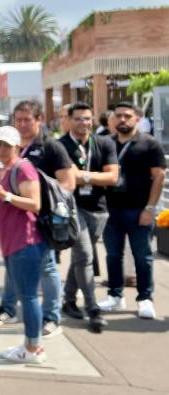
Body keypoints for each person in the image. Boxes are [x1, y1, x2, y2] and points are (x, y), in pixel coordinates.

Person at [0, 100, 72, 337]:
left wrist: (49, 208)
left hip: (41, 223)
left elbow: (67, 184)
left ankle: (50, 318)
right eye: (18, 120)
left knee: (46, 272)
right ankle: (9, 308)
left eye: (27, 119)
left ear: (39, 120)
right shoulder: (13, 155)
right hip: (18, 228)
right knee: (17, 272)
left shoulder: (50, 147)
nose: (22, 124)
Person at [98, 101, 166, 319]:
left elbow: (159, 177)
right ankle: (115, 295)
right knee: (113, 255)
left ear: (137, 117)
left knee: (143, 256)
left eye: (127, 116)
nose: (122, 119)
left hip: (139, 209)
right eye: (118, 115)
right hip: (111, 210)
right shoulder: (106, 143)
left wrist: (150, 208)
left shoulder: (149, 144)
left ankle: (145, 298)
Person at [0, 126, 47, 364]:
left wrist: (6, 196)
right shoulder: (5, 169)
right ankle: (31, 345)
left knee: (29, 296)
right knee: (26, 295)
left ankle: (33, 348)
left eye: (7, 145)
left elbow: (35, 203)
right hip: (14, 243)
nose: (2, 149)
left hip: (26, 242)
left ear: (17, 147)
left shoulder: (22, 168)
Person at [58, 102, 116, 333]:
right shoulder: (60, 146)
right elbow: (66, 178)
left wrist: (83, 175)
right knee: (84, 256)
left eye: (87, 118)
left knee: (81, 258)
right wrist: (96, 176)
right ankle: (93, 309)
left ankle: (68, 299)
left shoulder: (104, 143)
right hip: (73, 208)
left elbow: (113, 177)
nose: (84, 123)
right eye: (78, 118)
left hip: (99, 209)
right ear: (69, 120)